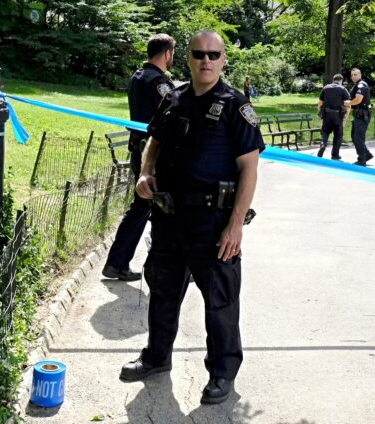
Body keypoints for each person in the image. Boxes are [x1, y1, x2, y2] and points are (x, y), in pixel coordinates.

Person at [120, 30, 265, 405]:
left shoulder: (235, 106)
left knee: (220, 301)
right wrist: (144, 173)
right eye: (199, 54)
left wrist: (235, 226)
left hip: (213, 224)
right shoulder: (173, 99)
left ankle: (222, 373)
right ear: (186, 57)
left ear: (223, 59)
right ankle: (156, 356)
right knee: (163, 292)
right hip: (169, 218)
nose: (206, 60)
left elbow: (249, 169)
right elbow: (154, 141)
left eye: (213, 55)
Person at [101, 34, 176, 281]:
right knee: (156, 205)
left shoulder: (138, 76)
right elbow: (173, 111)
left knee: (143, 205)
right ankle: (162, 263)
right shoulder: (159, 82)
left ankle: (118, 262)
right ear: (167, 53)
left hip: (138, 149)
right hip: (154, 153)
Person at [316, 74, 350, 160]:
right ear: (341, 81)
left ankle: (323, 144)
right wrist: (345, 118)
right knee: (338, 135)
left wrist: (319, 114)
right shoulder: (343, 89)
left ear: (333, 80)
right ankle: (335, 155)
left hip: (327, 115)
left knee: (325, 132)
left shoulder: (325, 88)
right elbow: (348, 105)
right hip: (338, 116)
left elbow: (320, 103)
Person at [349, 68, 374, 166]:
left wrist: (349, 103)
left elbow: (358, 99)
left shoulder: (361, 85)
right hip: (359, 114)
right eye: (352, 75)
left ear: (360, 75)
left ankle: (362, 159)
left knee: (357, 137)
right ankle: (366, 154)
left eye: (355, 74)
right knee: (355, 136)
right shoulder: (356, 86)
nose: (353, 76)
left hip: (362, 115)